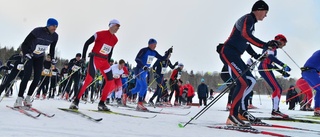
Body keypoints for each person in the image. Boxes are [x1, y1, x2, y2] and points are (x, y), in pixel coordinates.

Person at [218, 0, 279, 126]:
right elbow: (246, 36)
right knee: (242, 82)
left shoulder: (251, 23)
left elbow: (246, 43)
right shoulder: (248, 18)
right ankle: (233, 116)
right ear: (259, 9)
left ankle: (241, 112)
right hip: (228, 52)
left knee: (249, 81)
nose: (266, 15)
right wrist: (265, 45)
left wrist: (256, 55)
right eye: (265, 12)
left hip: (235, 55)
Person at [69, 19, 120, 111]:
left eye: (119, 27)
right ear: (111, 25)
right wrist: (84, 57)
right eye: (116, 26)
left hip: (104, 61)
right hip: (95, 58)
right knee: (89, 79)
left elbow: (110, 50)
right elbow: (87, 43)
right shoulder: (100, 34)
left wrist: (108, 61)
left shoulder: (115, 39)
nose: (117, 28)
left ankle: (102, 103)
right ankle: (75, 101)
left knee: (110, 80)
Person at [14, 18, 58, 108]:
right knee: (27, 75)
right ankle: (19, 99)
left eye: (56, 26)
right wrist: (26, 53)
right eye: (53, 26)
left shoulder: (55, 36)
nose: (55, 28)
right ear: (48, 25)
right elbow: (25, 43)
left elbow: (52, 48)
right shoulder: (37, 31)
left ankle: (28, 98)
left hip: (39, 57)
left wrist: (52, 58)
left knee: (37, 78)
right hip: (30, 55)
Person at [124, 38, 172, 111]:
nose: (155, 46)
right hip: (139, 70)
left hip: (144, 72)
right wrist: (143, 66)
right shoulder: (144, 50)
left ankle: (125, 95)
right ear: (150, 44)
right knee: (144, 86)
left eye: (156, 45)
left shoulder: (154, 52)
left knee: (137, 88)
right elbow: (137, 59)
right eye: (154, 45)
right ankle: (139, 103)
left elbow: (162, 58)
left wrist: (168, 53)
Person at [258, 34, 290, 118]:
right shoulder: (272, 45)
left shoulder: (274, 47)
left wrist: (282, 72)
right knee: (277, 88)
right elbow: (270, 57)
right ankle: (275, 111)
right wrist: (283, 65)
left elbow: (271, 63)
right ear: (280, 40)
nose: (284, 45)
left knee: (277, 88)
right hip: (264, 67)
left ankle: (275, 110)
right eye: (284, 43)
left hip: (267, 67)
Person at [301, 50, 320, 116]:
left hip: (305, 73)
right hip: (311, 72)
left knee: (319, 90)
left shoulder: (317, 52)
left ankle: (317, 109)